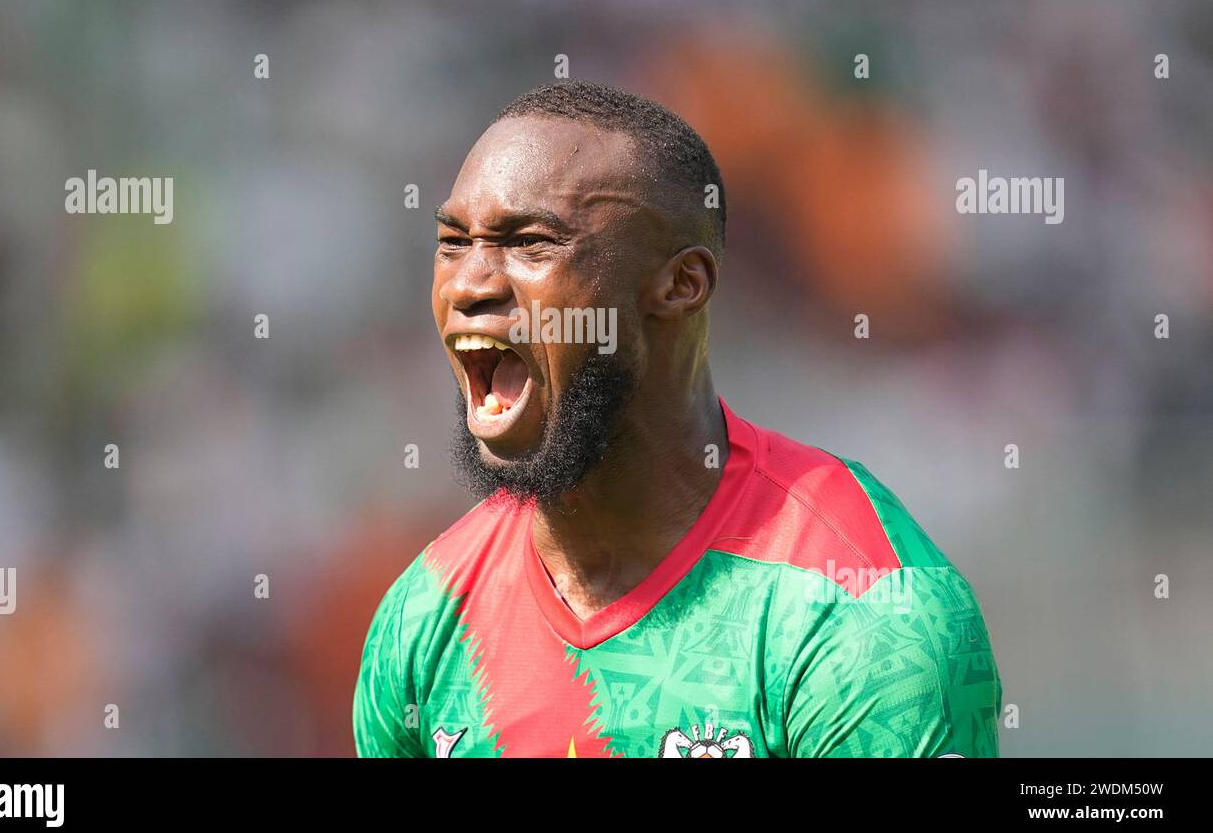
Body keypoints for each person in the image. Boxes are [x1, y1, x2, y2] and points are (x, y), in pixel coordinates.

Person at [353, 80, 1001, 757]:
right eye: (454, 243)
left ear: (682, 284)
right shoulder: (428, 616)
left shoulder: (859, 609)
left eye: (531, 243)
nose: (468, 285)